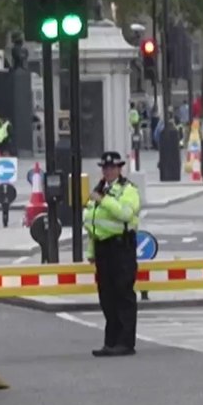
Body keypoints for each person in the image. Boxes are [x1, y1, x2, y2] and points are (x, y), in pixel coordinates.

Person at [84, 151, 141, 357]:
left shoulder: (128, 190)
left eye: (112, 168)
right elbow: (92, 222)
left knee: (122, 294)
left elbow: (125, 213)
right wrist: (91, 250)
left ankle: (125, 342)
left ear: (119, 169)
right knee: (106, 296)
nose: (108, 171)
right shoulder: (99, 189)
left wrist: (104, 201)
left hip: (121, 247)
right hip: (102, 248)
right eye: (105, 168)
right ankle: (111, 341)